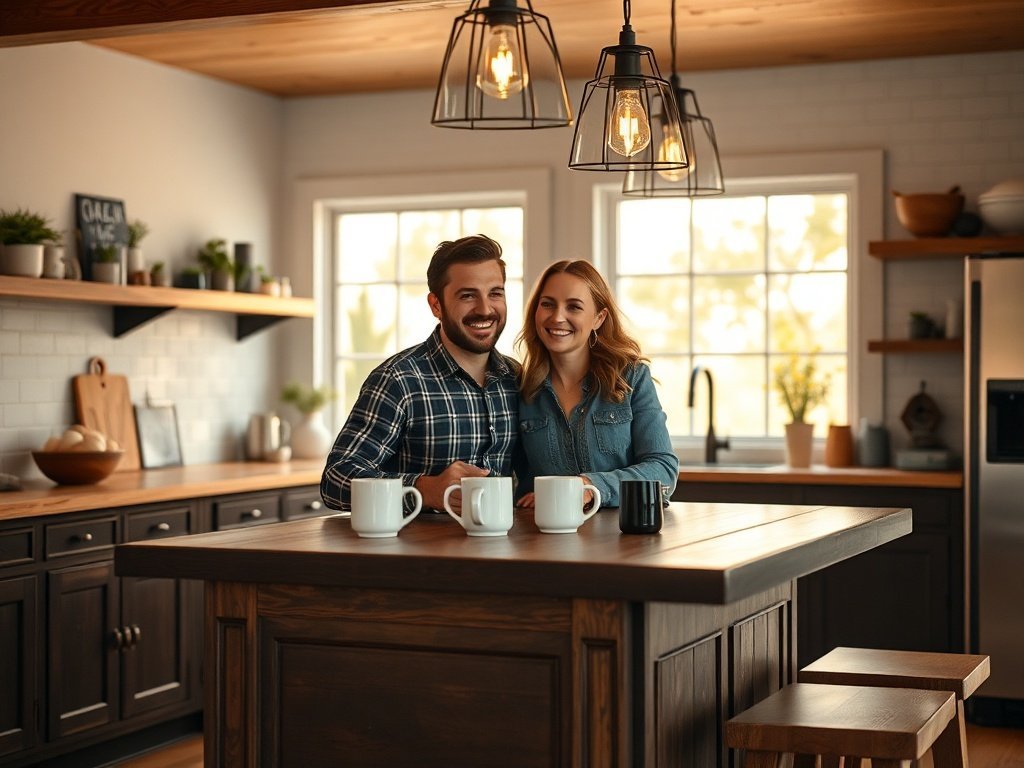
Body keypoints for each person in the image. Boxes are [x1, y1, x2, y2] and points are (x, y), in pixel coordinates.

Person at [321, 234, 520, 512]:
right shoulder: (399, 380)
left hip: (506, 551)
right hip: (418, 553)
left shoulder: (518, 379)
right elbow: (336, 479)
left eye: (495, 293)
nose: (485, 309)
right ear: (435, 305)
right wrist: (424, 490)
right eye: (467, 295)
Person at [514, 259, 678, 508]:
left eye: (574, 307)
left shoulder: (632, 378)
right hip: (546, 539)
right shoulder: (520, 389)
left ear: (599, 318)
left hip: (626, 539)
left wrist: (589, 487)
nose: (557, 317)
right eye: (547, 304)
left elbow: (663, 471)